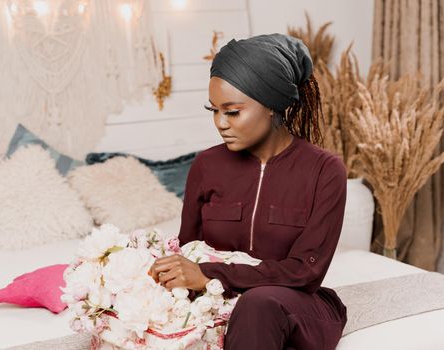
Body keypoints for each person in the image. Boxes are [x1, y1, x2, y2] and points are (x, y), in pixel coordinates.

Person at [148, 33, 348, 350]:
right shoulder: (206, 165)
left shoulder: (324, 170)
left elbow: (306, 272)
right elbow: (190, 249)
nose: (220, 123)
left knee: (259, 303)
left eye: (232, 111)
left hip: (292, 305)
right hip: (215, 302)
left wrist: (212, 275)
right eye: (213, 110)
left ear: (272, 106)